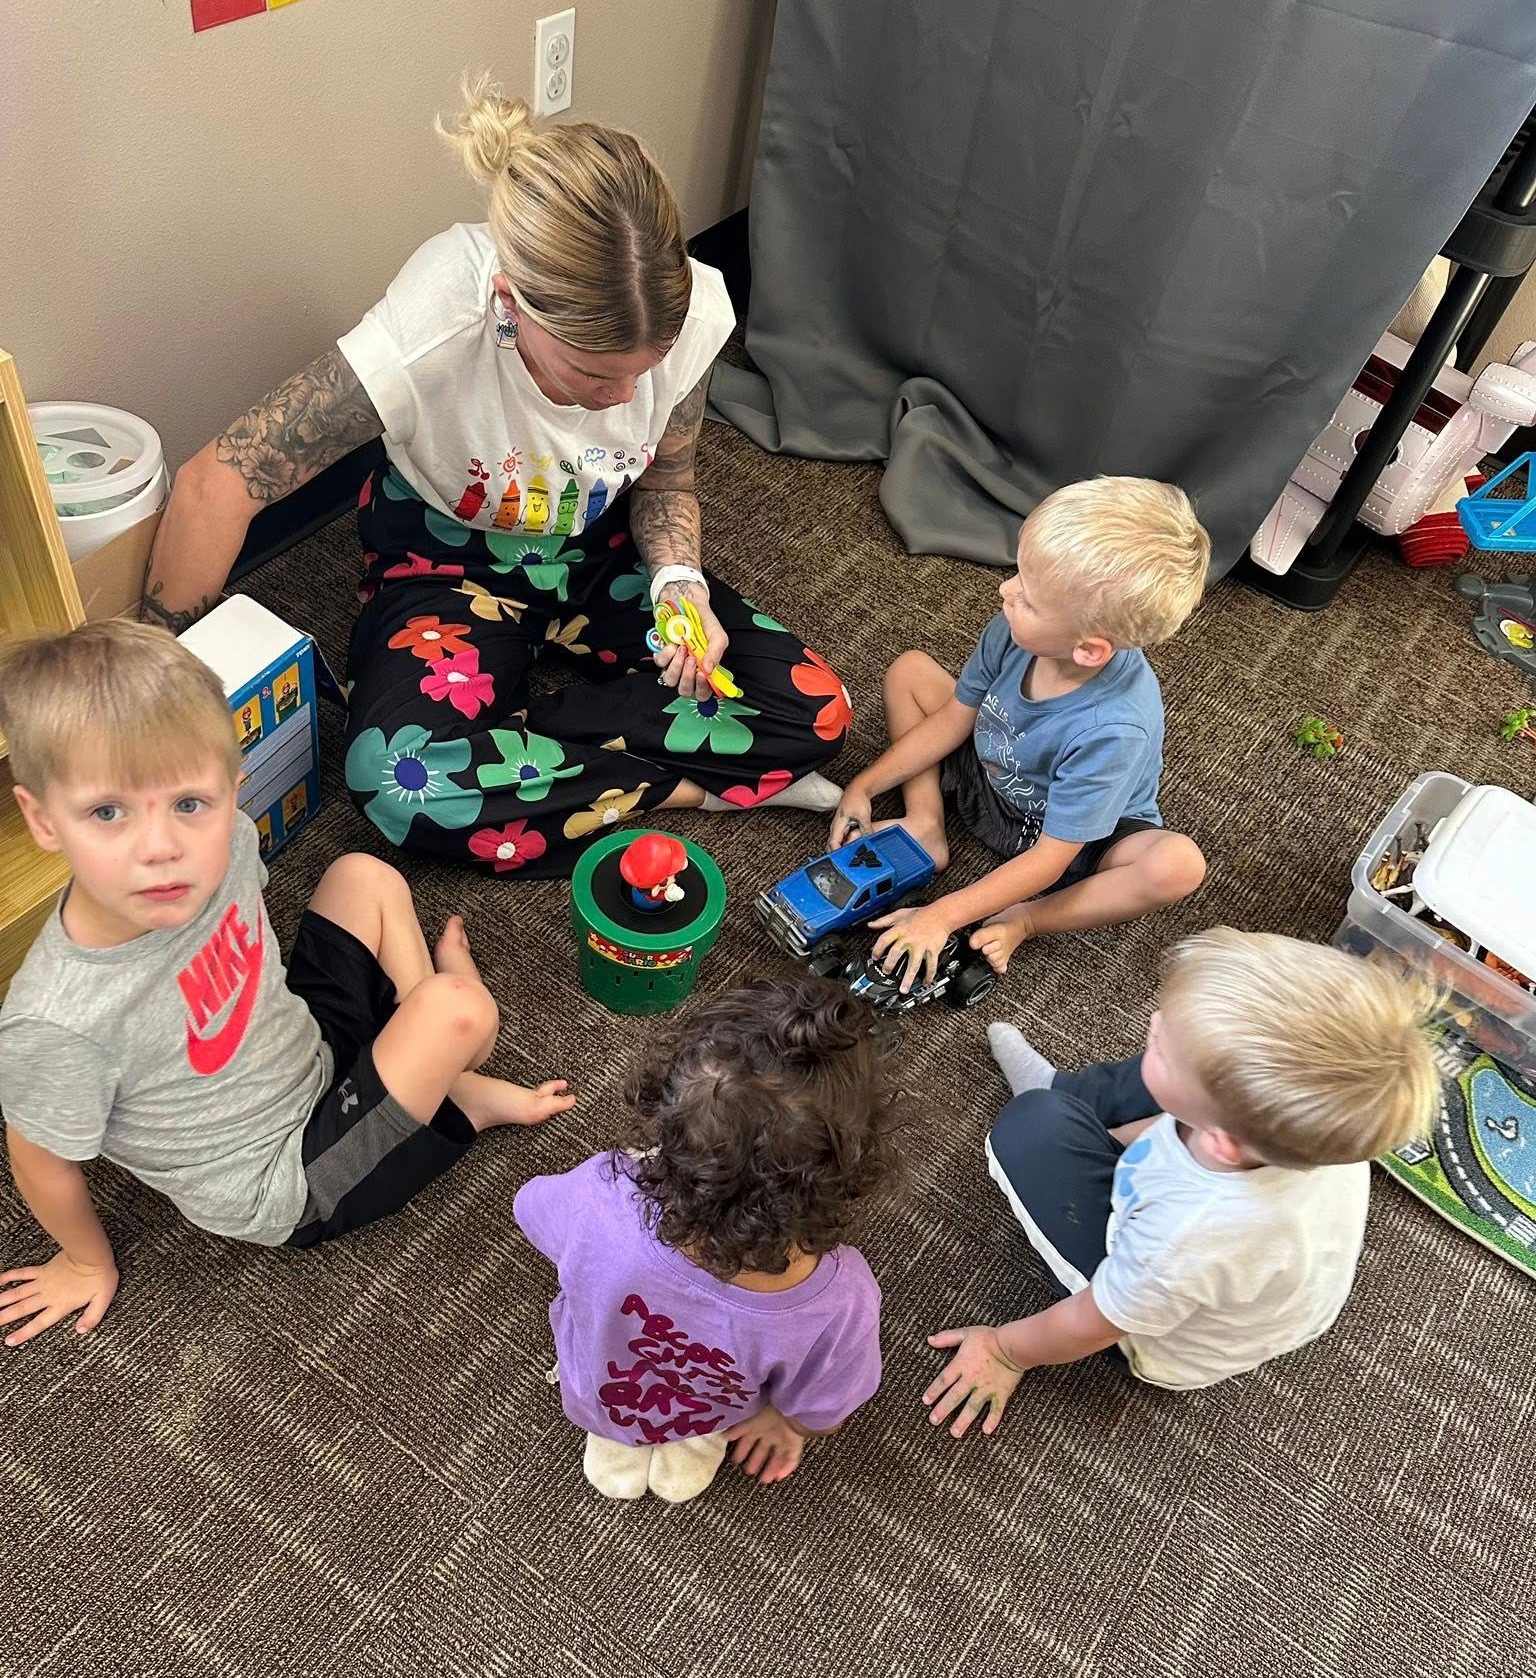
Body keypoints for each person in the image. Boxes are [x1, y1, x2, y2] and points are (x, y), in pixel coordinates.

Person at [141, 85, 848, 879]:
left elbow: (668, 478)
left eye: (640, 374)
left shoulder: (691, 312)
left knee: (815, 708)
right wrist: (153, 704)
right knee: (393, 784)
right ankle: (686, 785)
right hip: (446, 561)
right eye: (590, 373)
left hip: (594, 543)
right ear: (510, 305)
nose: (622, 400)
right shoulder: (433, 328)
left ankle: (527, 751)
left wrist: (678, 584)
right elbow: (220, 482)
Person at [0, 622, 573, 1348]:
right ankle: (457, 1094)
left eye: (188, 803)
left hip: (306, 1047)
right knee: (460, 1012)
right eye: (107, 812)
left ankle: (430, 1054)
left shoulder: (229, 838)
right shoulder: (57, 1023)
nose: (161, 848)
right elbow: (39, 1159)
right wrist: (85, 1262)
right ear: (43, 819)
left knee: (361, 876)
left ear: (230, 785)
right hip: (284, 1177)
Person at [923, 930, 1439, 1433]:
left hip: (1153, 1333)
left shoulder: (1187, 1238)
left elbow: (1096, 1320)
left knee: (1029, 1128)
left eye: (1161, 1040)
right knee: (1182, 1065)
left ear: (1220, 1143)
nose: (1152, 1021)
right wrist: (1157, 1090)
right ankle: (1073, 1094)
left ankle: (1064, 1103)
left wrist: (1004, 1350)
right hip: (1234, 1238)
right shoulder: (1313, 1127)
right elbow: (1176, 1118)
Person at [514, 976, 899, 1502]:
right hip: (713, 1414)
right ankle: (687, 1444)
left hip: (598, 1390)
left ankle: (615, 1437)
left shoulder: (601, 1195)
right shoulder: (843, 1299)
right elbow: (829, 1401)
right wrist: (790, 1426)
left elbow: (531, 1208)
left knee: (611, 1419)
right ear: (850, 1173)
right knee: (691, 1449)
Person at [827, 477, 1210, 986]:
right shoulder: (1013, 628)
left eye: (1028, 598)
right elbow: (952, 720)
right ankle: (926, 823)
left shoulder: (1115, 729)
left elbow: (1050, 860)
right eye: (1018, 577)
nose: (1006, 591)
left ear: (1089, 649)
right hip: (992, 768)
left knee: (1177, 866)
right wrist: (866, 785)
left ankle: (1026, 918)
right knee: (911, 671)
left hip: (1067, 838)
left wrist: (942, 915)